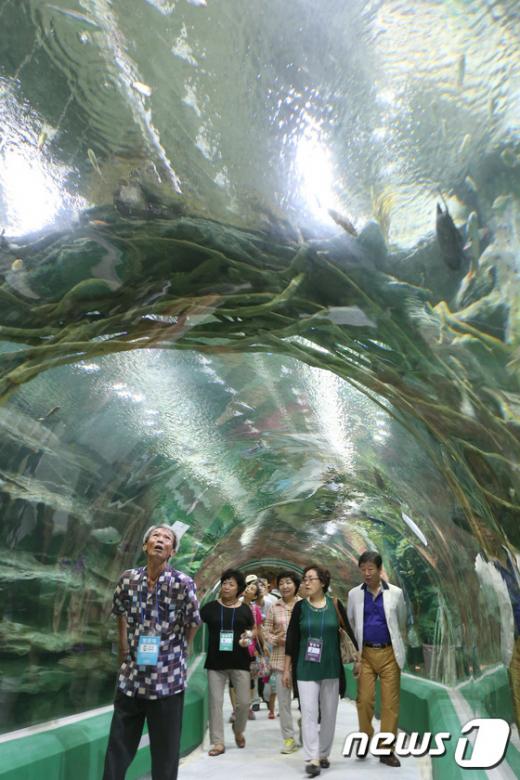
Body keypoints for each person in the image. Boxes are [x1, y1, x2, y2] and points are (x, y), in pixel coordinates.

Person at [102, 524, 200, 780]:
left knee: (165, 752)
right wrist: (123, 645)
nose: (160, 539)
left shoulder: (182, 583)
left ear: (172, 552)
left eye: (167, 538)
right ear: (145, 545)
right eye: (155, 535)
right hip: (132, 677)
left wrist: (183, 648)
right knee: (118, 746)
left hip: (167, 679)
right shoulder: (128, 579)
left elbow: (193, 621)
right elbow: (119, 611)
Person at [283, 564, 357, 778]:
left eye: (311, 579)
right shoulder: (300, 607)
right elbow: (292, 639)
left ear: (322, 583)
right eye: (304, 579)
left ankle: (324, 753)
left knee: (330, 713)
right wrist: (287, 669)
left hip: (331, 667)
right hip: (306, 667)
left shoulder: (335, 604)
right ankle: (312, 757)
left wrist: (359, 659)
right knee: (308, 712)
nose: (306, 582)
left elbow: (349, 633)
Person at [347, 550, 407, 768]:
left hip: (389, 654)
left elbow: (401, 621)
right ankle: (365, 739)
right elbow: (351, 622)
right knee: (364, 700)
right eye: (363, 569)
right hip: (365, 655)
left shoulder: (396, 593)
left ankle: (386, 750)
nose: (367, 573)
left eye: (370, 569)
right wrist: (356, 655)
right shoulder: (354, 594)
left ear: (380, 570)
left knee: (390, 704)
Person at [200, 568, 255, 756]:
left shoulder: (244, 609)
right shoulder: (210, 608)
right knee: (215, 703)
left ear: (239, 589)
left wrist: (247, 637)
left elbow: (252, 630)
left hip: (240, 661)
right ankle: (218, 742)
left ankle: (238, 730)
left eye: (231, 584)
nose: (226, 587)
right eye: (224, 583)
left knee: (244, 703)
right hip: (215, 663)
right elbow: (194, 624)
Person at [265, 570, 302, 752]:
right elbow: (265, 631)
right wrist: (275, 639)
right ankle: (289, 739)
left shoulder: (304, 605)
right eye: (281, 583)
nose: (285, 586)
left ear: (296, 585)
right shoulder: (274, 607)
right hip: (280, 661)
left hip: (303, 661)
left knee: (307, 702)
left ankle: (305, 728)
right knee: (284, 703)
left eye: (288, 582)